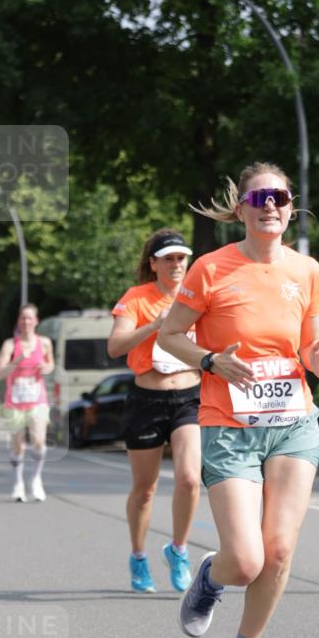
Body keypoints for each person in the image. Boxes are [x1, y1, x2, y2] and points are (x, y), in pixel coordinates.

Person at [158, 162, 319, 638]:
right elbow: (170, 336)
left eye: (278, 197)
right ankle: (212, 578)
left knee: (280, 550)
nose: (269, 207)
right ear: (240, 209)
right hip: (228, 424)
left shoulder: (307, 271)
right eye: (258, 198)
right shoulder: (210, 269)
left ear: (290, 204)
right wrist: (210, 360)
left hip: (292, 422)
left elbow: (310, 341)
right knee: (246, 559)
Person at [108, 229, 201, 595]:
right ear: (154, 264)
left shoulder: (197, 297)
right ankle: (138, 556)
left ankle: (178, 549)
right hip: (147, 400)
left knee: (190, 478)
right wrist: (153, 325)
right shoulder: (136, 299)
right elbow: (115, 347)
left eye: (181, 258)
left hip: (190, 398)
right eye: (169, 259)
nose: (176, 265)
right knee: (145, 490)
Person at [0, 303, 54, 502]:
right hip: (14, 401)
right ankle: (18, 483)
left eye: (30, 318)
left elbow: (50, 365)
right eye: (23, 318)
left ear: (36, 321)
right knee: (18, 446)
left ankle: (36, 479)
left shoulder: (44, 343)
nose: (26, 322)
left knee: (39, 440)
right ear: (18, 321)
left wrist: (45, 367)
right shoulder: (10, 345)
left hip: (38, 400)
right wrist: (18, 359)